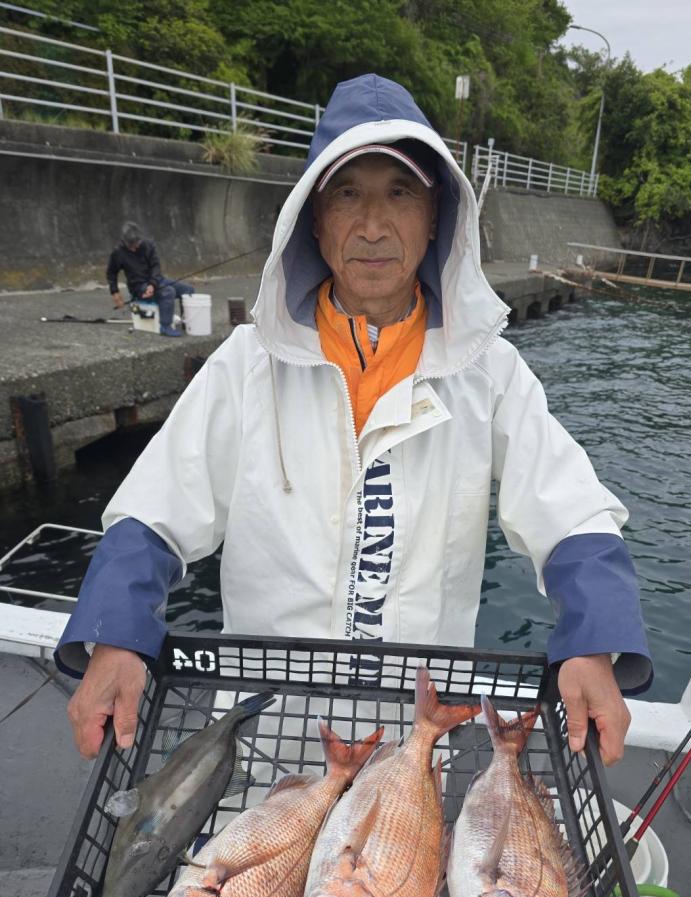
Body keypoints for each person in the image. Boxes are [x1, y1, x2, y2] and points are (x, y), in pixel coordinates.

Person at [59, 75, 651, 768]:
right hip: (262, 741)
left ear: (437, 216)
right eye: (347, 194)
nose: (372, 226)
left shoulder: (490, 372)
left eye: (400, 193)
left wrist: (591, 642)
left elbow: (571, 514)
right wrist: (118, 635)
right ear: (313, 219)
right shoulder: (247, 364)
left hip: (412, 753)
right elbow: (155, 512)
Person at [106, 222, 194, 337]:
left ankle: (186, 322)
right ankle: (165, 326)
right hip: (138, 287)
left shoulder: (148, 245)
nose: (134, 248)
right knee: (168, 292)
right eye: (130, 245)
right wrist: (114, 292)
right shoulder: (118, 252)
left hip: (156, 281)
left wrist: (152, 284)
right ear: (124, 241)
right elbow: (111, 272)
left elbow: (155, 266)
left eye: (136, 243)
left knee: (188, 290)